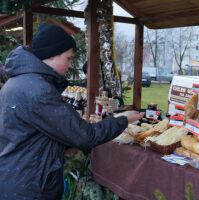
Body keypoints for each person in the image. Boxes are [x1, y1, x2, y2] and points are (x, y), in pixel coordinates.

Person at [0, 24, 144, 199]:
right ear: (52, 55)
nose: (70, 65)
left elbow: (29, 133)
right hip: (31, 186)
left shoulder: (17, 82)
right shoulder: (38, 90)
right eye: (68, 58)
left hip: (16, 176)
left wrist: (64, 146)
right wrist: (123, 119)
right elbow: (85, 136)